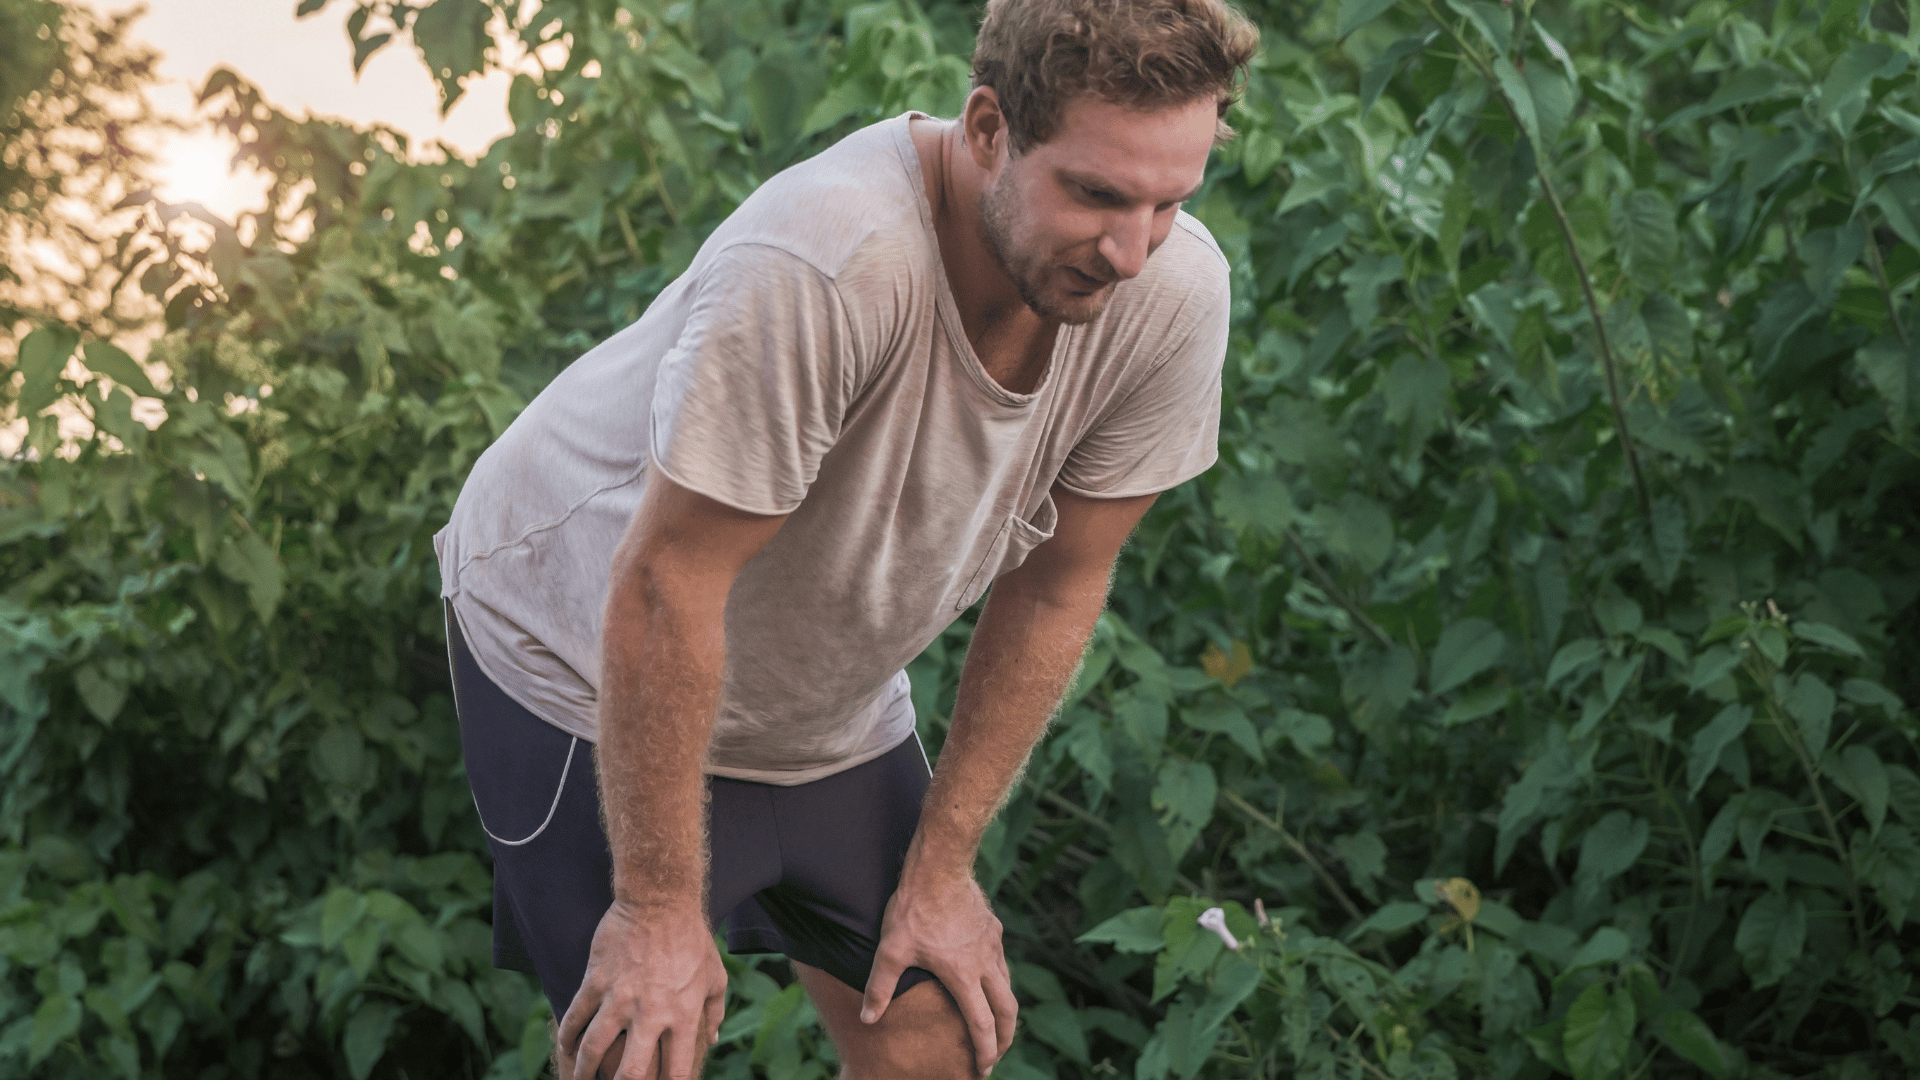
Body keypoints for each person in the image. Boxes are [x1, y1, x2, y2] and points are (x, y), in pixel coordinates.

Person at [433, 0, 1258, 1076]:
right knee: (642, 1041)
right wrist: (655, 908)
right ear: (987, 128)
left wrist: (944, 869)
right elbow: (668, 584)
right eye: (1096, 194)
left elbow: (1060, 587)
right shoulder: (829, 260)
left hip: (822, 695)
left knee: (934, 1034)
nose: (1132, 250)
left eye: (1168, 202)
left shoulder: (1173, 295)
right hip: (576, 642)